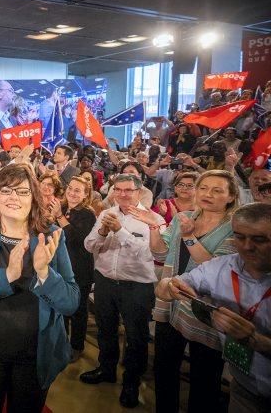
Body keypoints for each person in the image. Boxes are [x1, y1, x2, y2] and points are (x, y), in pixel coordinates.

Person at [0, 164, 79, 412]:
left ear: (34, 197)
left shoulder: (51, 235)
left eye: (22, 192)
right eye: (6, 190)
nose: (13, 198)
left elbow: (71, 302)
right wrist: (7, 275)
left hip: (35, 354)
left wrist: (44, 272)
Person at [156, 203, 271, 413]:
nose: (246, 246)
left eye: (259, 239)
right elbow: (167, 287)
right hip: (243, 387)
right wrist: (171, 287)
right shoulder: (222, 266)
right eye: (239, 237)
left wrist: (258, 342)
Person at [146, 170, 238, 413]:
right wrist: (154, 227)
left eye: (217, 190)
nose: (208, 194)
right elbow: (161, 253)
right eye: (204, 188)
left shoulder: (234, 229)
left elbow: (216, 269)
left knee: (204, 380)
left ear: (230, 197)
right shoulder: (182, 218)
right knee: (164, 369)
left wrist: (189, 238)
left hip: (206, 311)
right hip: (171, 303)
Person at [81, 173, 165, 408]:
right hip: (106, 281)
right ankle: (106, 370)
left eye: (128, 190)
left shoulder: (153, 219)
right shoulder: (107, 214)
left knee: (136, 338)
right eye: (118, 190)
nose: (122, 194)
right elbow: (89, 245)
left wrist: (120, 231)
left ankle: (131, 383)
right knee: (105, 330)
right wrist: (102, 232)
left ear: (139, 192)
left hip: (136, 285)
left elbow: (152, 253)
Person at [46, 176, 97, 362]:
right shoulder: (64, 207)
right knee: (60, 306)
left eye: (78, 190)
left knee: (77, 309)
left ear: (85, 195)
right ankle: (61, 342)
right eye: (70, 188)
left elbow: (76, 239)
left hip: (80, 269)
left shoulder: (88, 214)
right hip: (60, 265)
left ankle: (76, 346)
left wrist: (58, 216)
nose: (72, 193)